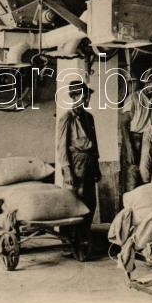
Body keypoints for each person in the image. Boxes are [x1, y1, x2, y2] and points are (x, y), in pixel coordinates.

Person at [57, 81, 101, 227]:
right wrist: (67, 171)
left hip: (89, 164)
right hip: (75, 165)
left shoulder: (89, 118)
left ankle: (85, 235)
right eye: (84, 97)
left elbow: (94, 144)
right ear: (75, 97)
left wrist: (96, 167)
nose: (87, 100)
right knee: (74, 202)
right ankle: (72, 239)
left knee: (90, 202)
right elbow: (62, 147)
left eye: (88, 97)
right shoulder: (67, 118)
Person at [121, 74, 152, 190]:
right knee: (133, 179)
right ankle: (129, 207)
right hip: (135, 140)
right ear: (146, 83)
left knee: (146, 178)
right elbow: (124, 124)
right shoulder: (133, 98)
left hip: (149, 140)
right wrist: (129, 148)